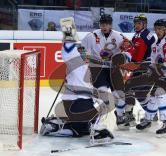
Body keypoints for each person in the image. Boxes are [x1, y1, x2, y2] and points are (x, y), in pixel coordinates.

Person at [40, 17, 115, 145]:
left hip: (78, 102)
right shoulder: (73, 57)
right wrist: (68, 29)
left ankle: (58, 127)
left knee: (81, 129)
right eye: (82, 51)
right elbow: (68, 48)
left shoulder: (84, 62)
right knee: (102, 106)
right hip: (75, 102)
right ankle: (96, 130)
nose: (86, 54)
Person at [81, 14, 135, 130]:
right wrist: (84, 57)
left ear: (111, 25)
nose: (104, 26)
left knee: (119, 94)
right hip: (97, 68)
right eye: (102, 24)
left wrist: (124, 57)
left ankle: (120, 117)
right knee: (103, 96)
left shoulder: (119, 36)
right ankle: (97, 123)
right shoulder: (92, 36)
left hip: (113, 68)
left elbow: (131, 49)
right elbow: (81, 48)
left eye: (107, 24)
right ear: (99, 24)